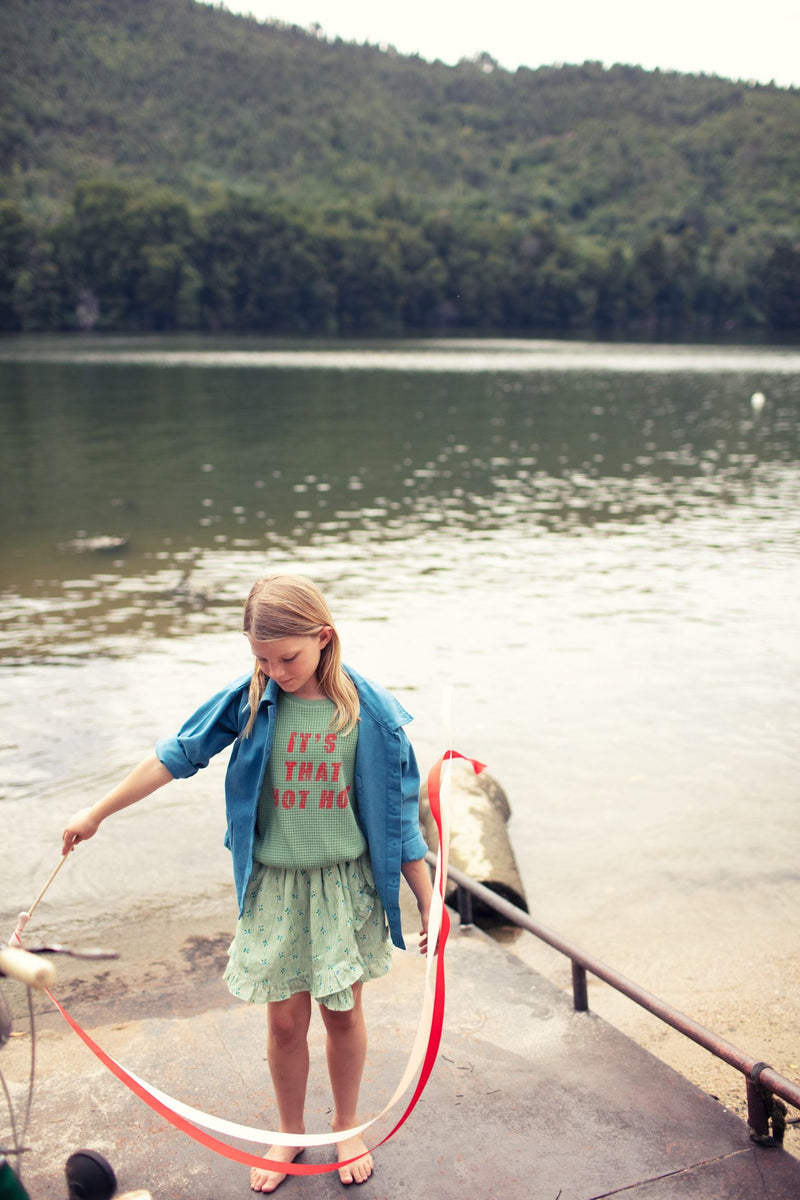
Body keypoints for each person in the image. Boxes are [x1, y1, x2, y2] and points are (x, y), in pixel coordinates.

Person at [62, 574, 433, 1194]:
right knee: (285, 1022)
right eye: (260, 658)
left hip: (342, 886)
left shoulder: (371, 713)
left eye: (286, 657)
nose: (275, 670)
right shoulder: (251, 697)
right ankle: (290, 1129)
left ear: (323, 638)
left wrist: (428, 901)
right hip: (275, 887)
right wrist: (97, 812)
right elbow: (174, 755)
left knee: (342, 1013)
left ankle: (345, 1124)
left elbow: (400, 818)